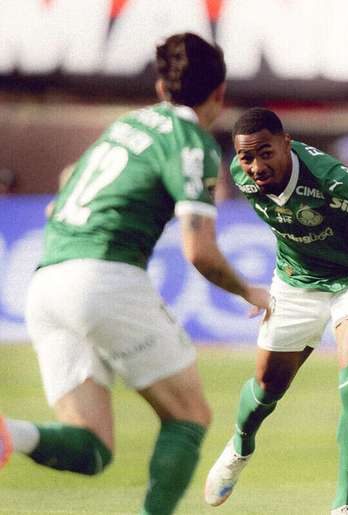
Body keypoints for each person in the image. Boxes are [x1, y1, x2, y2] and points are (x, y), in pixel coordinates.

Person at [0, 33, 271, 515]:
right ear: (219, 93)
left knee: (92, 447)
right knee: (188, 416)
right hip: (103, 278)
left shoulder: (126, 125)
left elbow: (65, 183)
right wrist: (250, 290)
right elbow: (200, 251)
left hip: (46, 282)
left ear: (161, 87)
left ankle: (8, 434)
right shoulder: (192, 142)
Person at [203, 108, 348, 514]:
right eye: (246, 157)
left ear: (287, 143)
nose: (256, 166)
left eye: (266, 153)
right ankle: (239, 447)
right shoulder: (241, 175)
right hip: (295, 282)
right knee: (267, 388)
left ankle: (345, 505)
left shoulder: (331, 179)